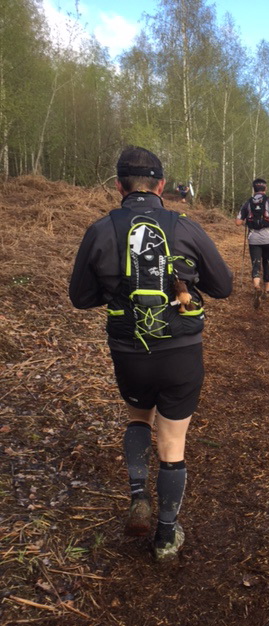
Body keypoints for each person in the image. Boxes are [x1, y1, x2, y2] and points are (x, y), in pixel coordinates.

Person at [69, 146, 232, 561]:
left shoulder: (101, 228)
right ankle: (165, 535)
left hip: (129, 352)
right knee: (173, 442)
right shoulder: (185, 226)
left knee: (138, 417)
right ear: (161, 186)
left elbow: (81, 297)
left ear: (119, 186)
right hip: (181, 353)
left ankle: (138, 496)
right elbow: (224, 286)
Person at [236, 178, 269, 308]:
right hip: (268, 238)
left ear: (254, 189)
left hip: (253, 239)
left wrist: (247, 220)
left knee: (255, 264)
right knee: (267, 263)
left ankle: (257, 287)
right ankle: (267, 292)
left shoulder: (247, 203)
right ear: (265, 188)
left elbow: (238, 222)